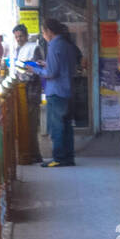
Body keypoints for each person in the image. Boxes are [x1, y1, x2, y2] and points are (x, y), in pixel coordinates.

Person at [31, 18, 81, 167]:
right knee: (67, 126)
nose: (43, 35)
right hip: (67, 90)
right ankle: (68, 157)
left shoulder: (54, 45)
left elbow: (51, 73)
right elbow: (62, 66)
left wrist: (35, 69)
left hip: (56, 91)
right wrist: (46, 64)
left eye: (43, 32)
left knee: (57, 127)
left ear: (49, 32)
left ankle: (58, 158)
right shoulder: (67, 44)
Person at [11, 23, 45, 143]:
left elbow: (38, 70)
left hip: (32, 92)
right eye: (17, 37)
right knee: (24, 125)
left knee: (32, 125)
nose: (19, 39)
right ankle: (29, 153)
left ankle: (35, 155)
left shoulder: (34, 48)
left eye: (21, 36)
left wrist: (25, 72)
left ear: (26, 36)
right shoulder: (17, 50)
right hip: (21, 92)